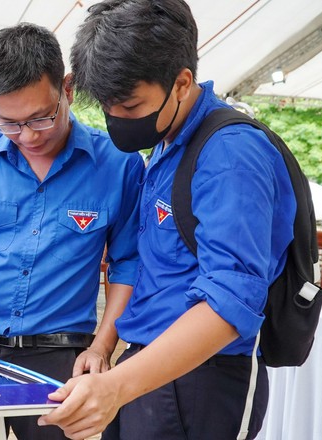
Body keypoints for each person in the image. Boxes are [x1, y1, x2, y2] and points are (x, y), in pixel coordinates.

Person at [38, 1, 296, 439]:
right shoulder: (167, 139)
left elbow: (230, 300)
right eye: (106, 106)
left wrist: (116, 386)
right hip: (146, 370)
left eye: (131, 105)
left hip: (203, 377)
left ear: (181, 83)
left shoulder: (229, 154)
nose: (117, 119)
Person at [0, 23, 143, 440]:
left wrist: (101, 347)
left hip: (62, 356)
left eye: (41, 117)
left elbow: (127, 264)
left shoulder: (119, 164)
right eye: (9, 123)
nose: (28, 136)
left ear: (67, 89)